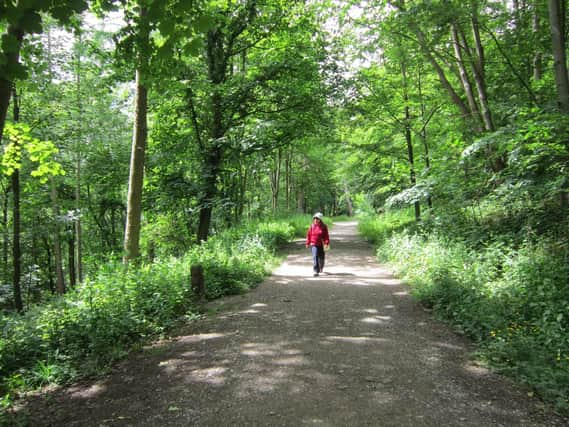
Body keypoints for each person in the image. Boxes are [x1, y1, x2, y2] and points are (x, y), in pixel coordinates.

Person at [306, 212, 330, 277]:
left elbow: (326, 236)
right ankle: (315, 271)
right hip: (313, 244)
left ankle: (321, 267)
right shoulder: (312, 226)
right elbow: (308, 235)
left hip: (321, 244)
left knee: (321, 258)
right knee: (315, 257)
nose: (315, 220)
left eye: (317, 219)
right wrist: (307, 243)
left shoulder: (324, 226)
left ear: (320, 219)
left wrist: (326, 243)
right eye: (314, 219)